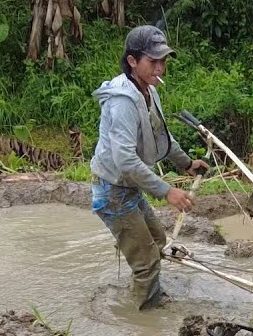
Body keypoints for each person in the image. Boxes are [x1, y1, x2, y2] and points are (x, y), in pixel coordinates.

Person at [89, 25, 208, 310]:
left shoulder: (149, 91)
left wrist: (186, 163)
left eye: (163, 61)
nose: (160, 68)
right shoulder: (122, 102)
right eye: (153, 61)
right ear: (132, 61)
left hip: (128, 186)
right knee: (146, 261)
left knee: (157, 239)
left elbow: (161, 135)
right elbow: (126, 161)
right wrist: (167, 191)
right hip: (113, 191)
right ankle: (144, 320)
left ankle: (143, 293)